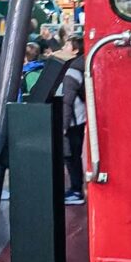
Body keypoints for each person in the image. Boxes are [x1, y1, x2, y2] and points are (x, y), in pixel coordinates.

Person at [61, 35, 87, 205]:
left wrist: (63, 125)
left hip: (72, 121)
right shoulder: (80, 67)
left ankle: (76, 190)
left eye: (67, 45)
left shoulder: (71, 71)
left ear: (75, 50)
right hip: (79, 118)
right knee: (74, 155)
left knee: (71, 156)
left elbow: (66, 101)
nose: (64, 47)